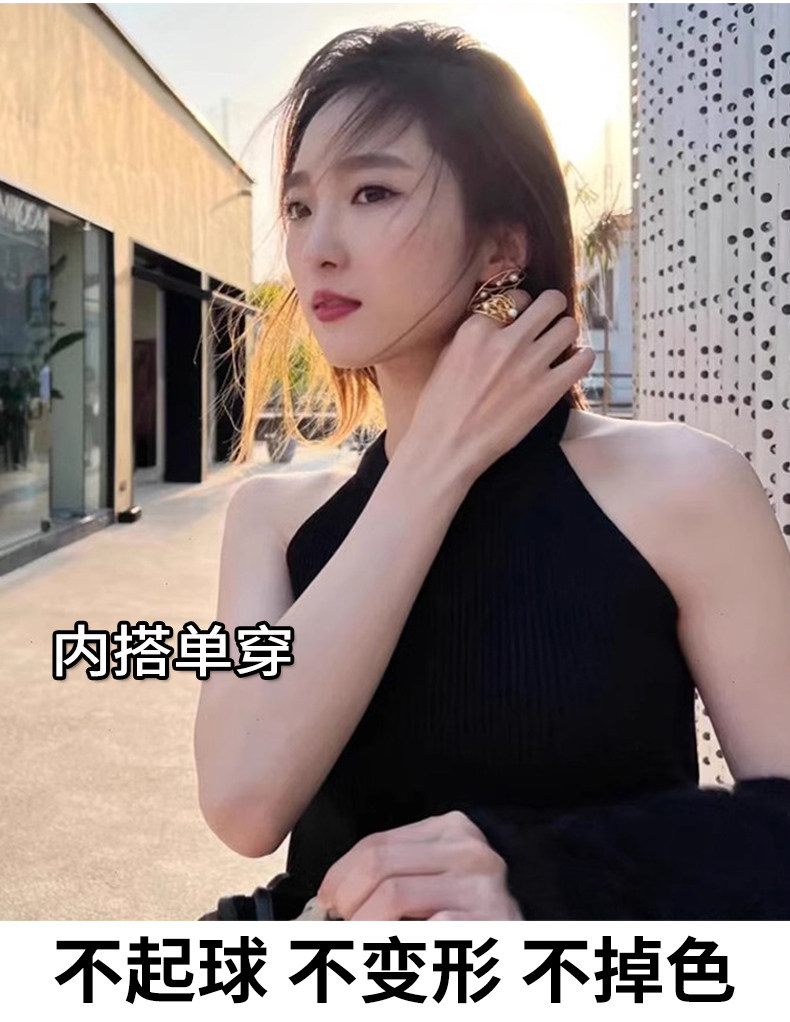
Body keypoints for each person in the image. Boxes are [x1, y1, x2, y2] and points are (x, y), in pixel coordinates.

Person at [194, 22, 790, 922]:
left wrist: (542, 876)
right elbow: (243, 802)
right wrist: (434, 462)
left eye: (373, 191)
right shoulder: (272, 520)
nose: (316, 247)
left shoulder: (682, 488)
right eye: (301, 206)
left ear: (501, 247)